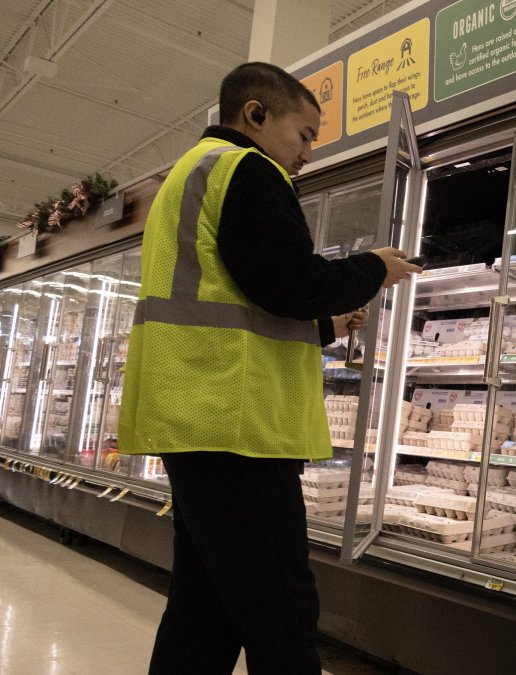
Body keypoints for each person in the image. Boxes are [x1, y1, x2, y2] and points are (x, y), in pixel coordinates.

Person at [118, 62, 421, 674]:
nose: (309, 152)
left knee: (207, 605)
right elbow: (287, 280)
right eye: (304, 134)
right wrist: (371, 269)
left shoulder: (192, 172)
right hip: (237, 422)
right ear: (255, 114)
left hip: (198, 411)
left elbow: (241, 293)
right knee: (280, 606)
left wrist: (325, 326)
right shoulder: (247, 171)